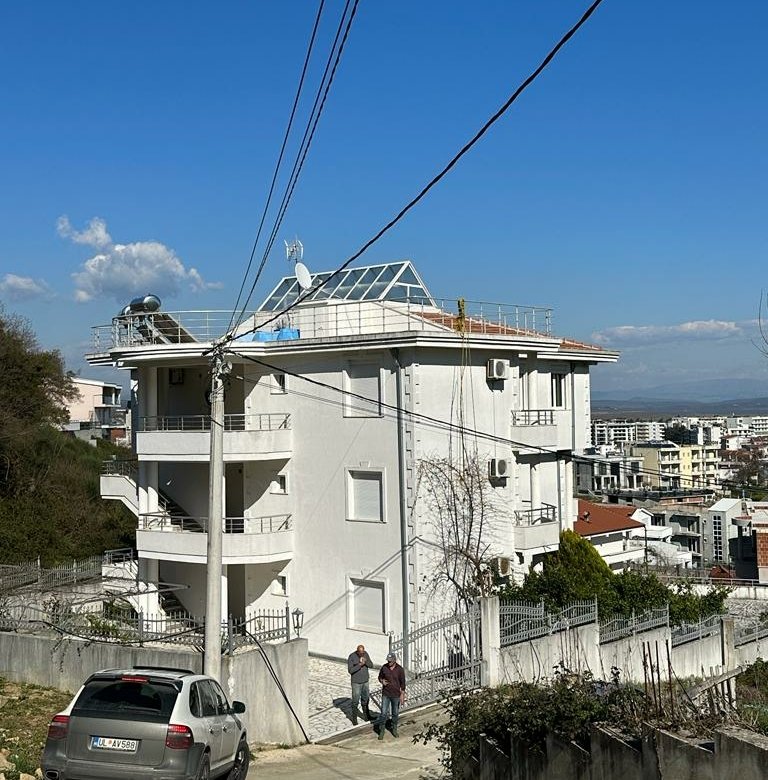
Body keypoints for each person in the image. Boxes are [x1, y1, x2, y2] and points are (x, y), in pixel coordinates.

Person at [375, 652, 406, 740]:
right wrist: (382, 681)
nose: (389, 663)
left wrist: (402, 695)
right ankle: (381, 731)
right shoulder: (384, 667)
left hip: (396, 695)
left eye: (390, 661)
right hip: (386, 694)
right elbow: (379, 677)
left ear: (394, 660)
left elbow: (403, 683)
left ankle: (394, 729)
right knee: (383, 713)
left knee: (395, 713)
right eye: (388, 661)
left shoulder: (400, 669)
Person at [347, 644, 373, 725]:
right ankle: (354, 719)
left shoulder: (366, 654)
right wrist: (359, 665)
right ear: (357, 651)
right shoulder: (352, 656)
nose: (362, 654)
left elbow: (371, 665)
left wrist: (365, 662)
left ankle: (366, 716)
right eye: (360, 653)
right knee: (355, 701)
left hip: (365, 681)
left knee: (365, 699)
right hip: (356, 683)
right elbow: (350, 670)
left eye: (363, 652)